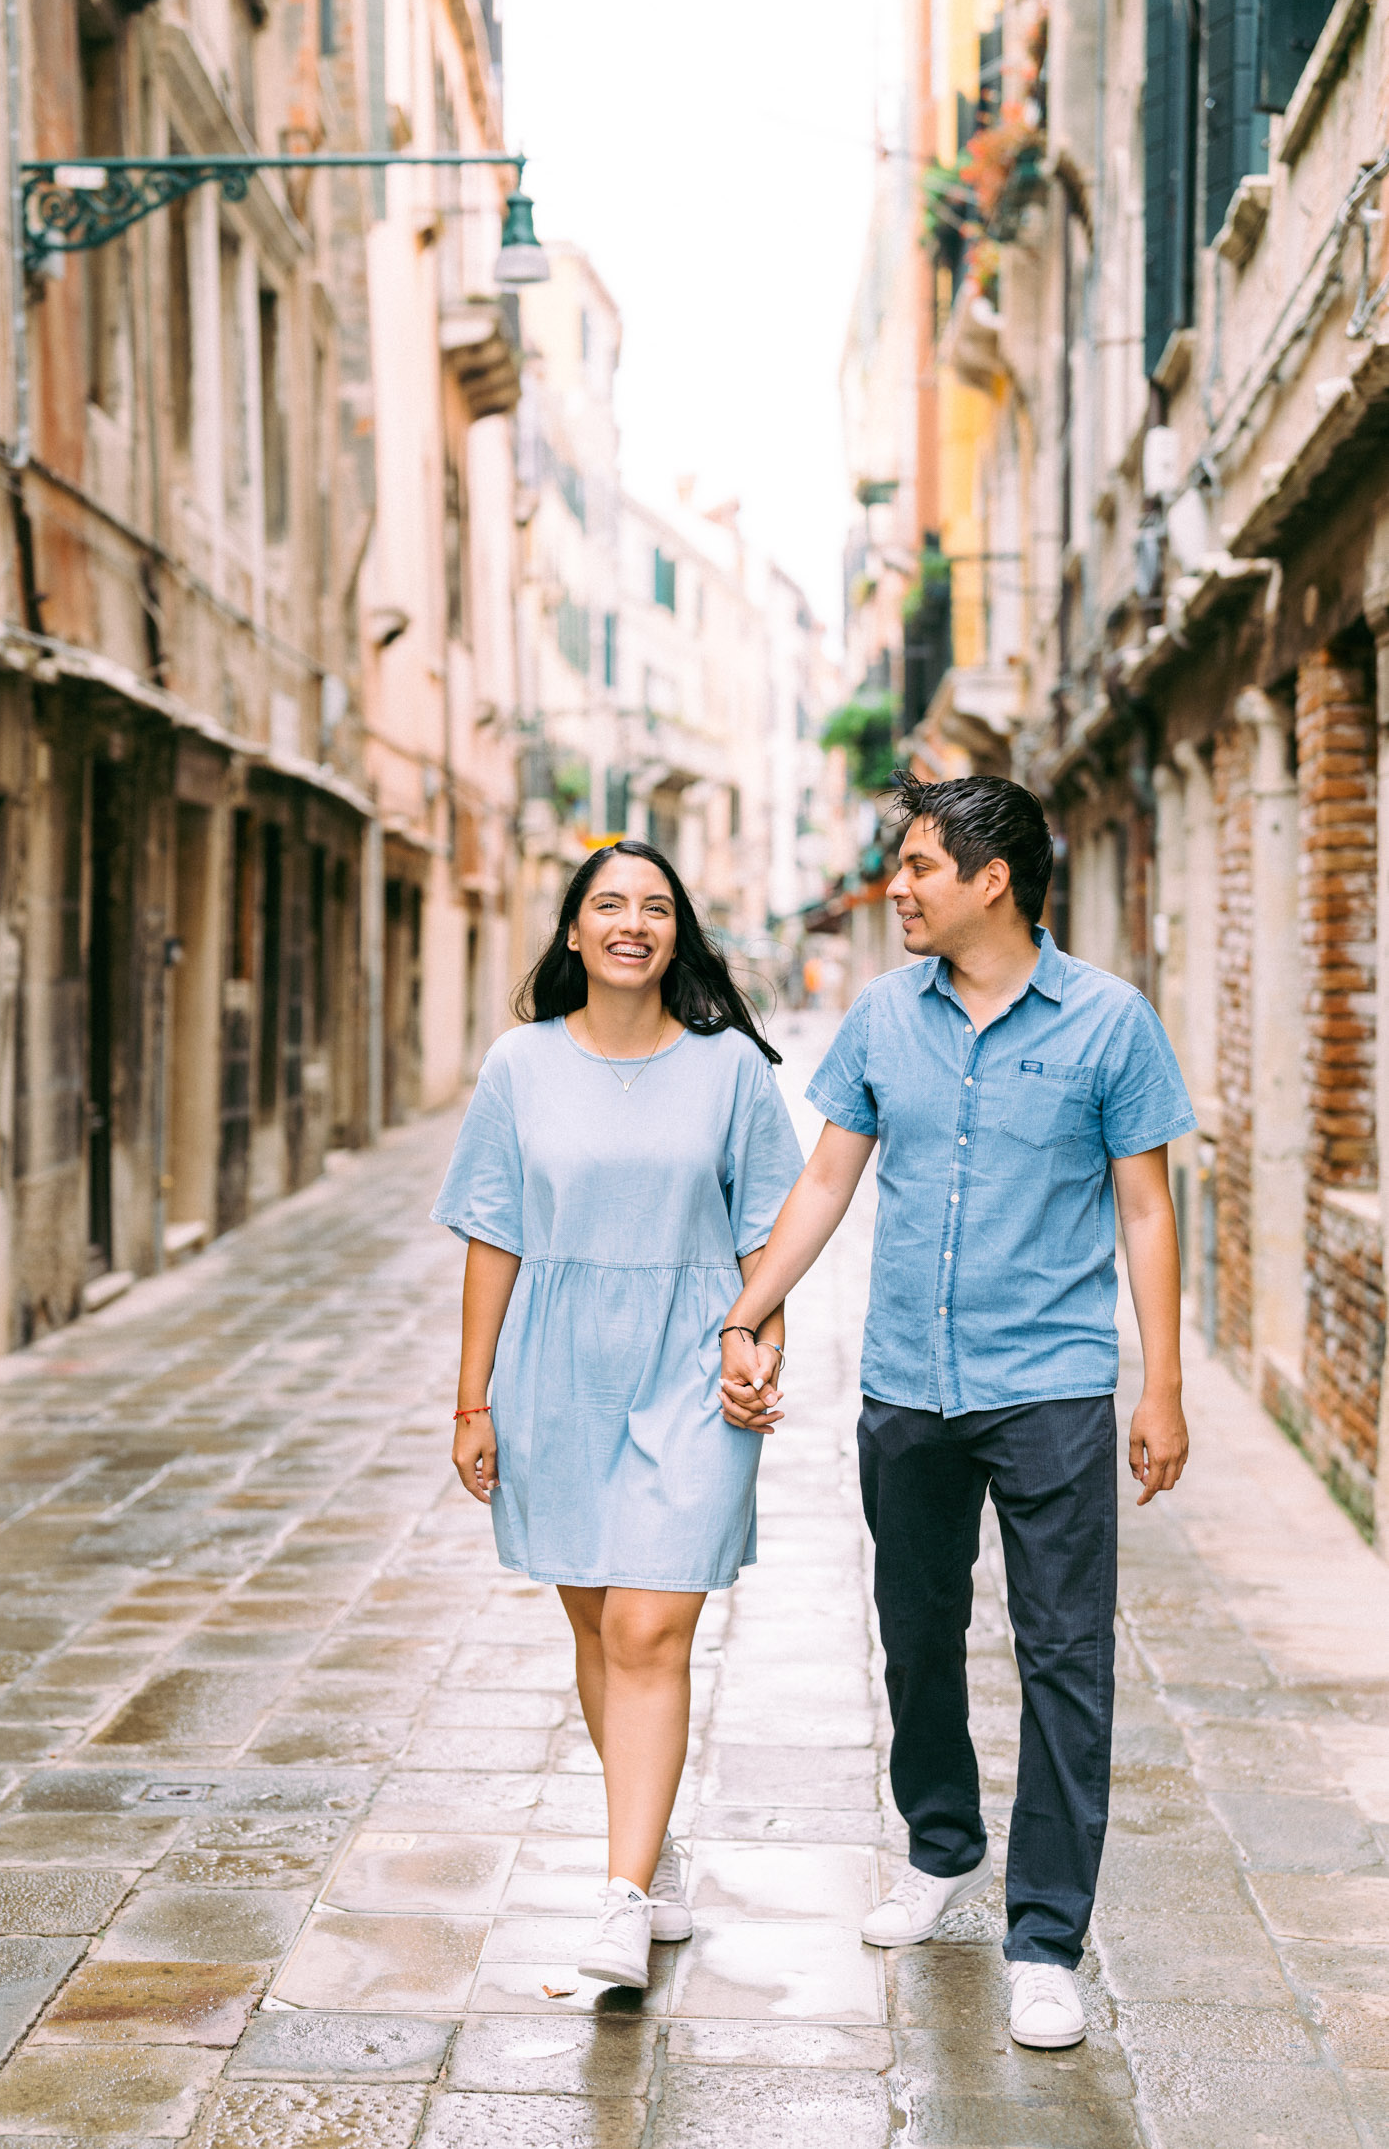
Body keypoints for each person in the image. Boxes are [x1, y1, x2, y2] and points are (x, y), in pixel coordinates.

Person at [718, 773, 1194, 2052]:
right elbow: (826, 1182)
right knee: (915, 1634)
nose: (897, 886)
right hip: (908, 1388)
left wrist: (1163, 1384)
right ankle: (940, 1849)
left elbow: (1146, 1208)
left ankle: (1045, 1936)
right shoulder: (883, 1017)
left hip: (1048, 1383)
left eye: (920, 865)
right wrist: (751, 1308)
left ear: (995, 879)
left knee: (1064, 1657)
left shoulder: (1109, 1022)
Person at [433, 840, 803, 1991]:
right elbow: (494, 1235)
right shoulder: (519, 1065)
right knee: (596, 1632)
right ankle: (653, 1851)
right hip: (557, 1374)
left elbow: (769, 1244)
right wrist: (471, 1401)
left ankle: (618, 1900)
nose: (633, 923)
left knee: (650, 1632)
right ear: (575, 934)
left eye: (655, 907)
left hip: (694, 1367)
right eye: (610, 906)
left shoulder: (734, 1070)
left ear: (679, 934)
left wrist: (761, 1345)